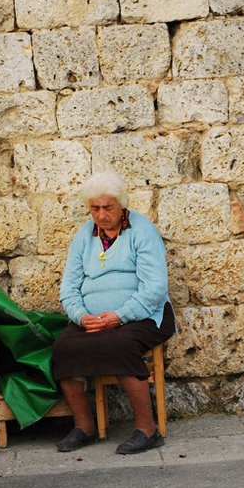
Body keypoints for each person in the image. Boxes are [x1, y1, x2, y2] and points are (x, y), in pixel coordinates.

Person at [52, 170, 175, 455]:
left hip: (144, 314)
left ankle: (147, 430)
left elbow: (154, 288)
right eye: (95, 208)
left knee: (120, 344)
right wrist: (81, 316)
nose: (101, 214)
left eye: (108, 207)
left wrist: (119, 316)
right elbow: (69, 288)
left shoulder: (141, 231)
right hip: (93, 319)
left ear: (121, 205)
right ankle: (85, 427)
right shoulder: (84, 236)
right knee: (63, 347)